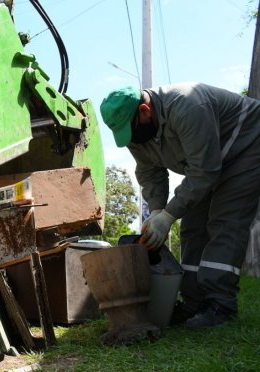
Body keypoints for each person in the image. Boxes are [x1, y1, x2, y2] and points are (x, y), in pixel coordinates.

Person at [99, 83, 260, 329]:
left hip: (245, 145)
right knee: (192, 227)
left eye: (129, 131)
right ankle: (194, 302)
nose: (131, 141)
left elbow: (204, 171)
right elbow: (150, 172)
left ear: (144, 110)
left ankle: (219, 305)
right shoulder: (136, 130)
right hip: (206, 163)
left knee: (225, 221)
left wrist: (169, 215)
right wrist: (156, 211)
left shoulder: (188, 106)